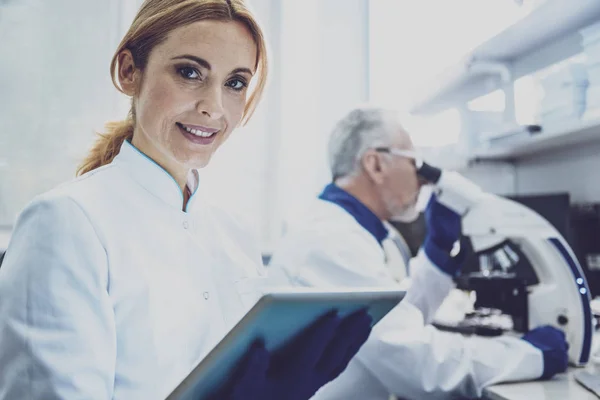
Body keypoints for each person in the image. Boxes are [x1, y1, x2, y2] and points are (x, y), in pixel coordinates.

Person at [0, 1, 372, 399]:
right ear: (129, 72)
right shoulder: (67, 221)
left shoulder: (233, 234)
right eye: (190, 72)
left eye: (235, 83)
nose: (213, 107)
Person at [269, 107, 570, 400]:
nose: (424, 179)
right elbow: (417, 362)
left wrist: (437, 257)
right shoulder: (332, 240)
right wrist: (530, 356)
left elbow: (394, 319)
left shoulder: (351, 232)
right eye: (415, 163)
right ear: (375, 165)